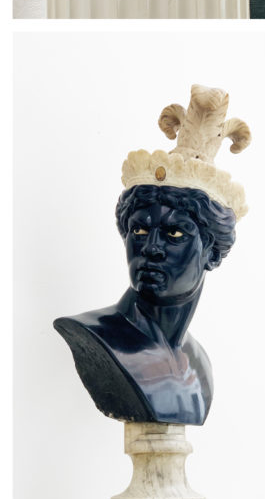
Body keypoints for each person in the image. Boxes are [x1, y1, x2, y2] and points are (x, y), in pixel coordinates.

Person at [54, 84, 250, 425]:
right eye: (140, 231)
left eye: (175, 234)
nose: (152, 248)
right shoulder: (96, 333)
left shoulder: (199, 363)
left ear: (212, 253)